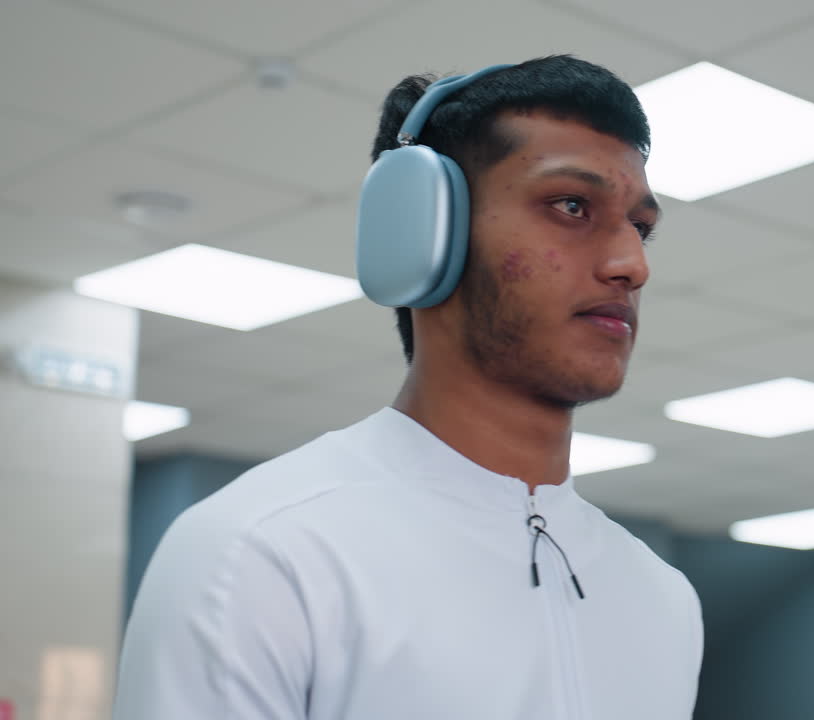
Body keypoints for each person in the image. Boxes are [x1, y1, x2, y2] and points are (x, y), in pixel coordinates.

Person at [113, 55, 703, 719]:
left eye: (641, 227)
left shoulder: (662, 597)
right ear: (427, 231)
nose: (633, 263)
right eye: (571, 206)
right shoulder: (263, 554)